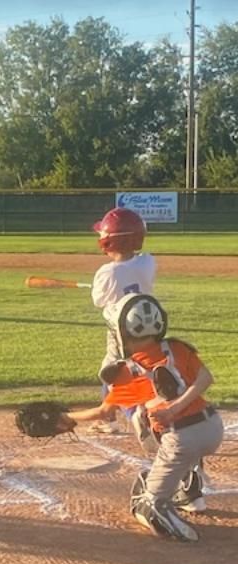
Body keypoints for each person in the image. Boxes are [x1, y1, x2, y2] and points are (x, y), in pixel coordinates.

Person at [60, 293, 224, 543]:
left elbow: (104, 412)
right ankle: (188, 487)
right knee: (144, 417)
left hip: (182, 440)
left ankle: (168, 511)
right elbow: (206, 379)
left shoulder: (130, 371)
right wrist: (178, 404)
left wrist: (66, 417)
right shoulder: (177, 347)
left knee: (146, 504)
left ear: (122, 332)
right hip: (213, 428)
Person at [89, 207, 157, 432]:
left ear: (109, 242)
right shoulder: (147, 262)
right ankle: (119, 414)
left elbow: (98, 301)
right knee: (138, 369)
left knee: (111, 371)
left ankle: (128, 414)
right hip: (147, 326)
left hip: (120, 331)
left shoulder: (107, 272)